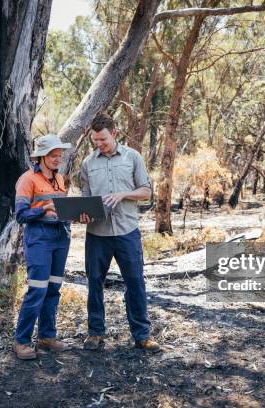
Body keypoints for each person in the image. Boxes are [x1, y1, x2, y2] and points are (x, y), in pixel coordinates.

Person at [79, 113, 160, 352]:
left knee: (135, 282)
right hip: (97, 234)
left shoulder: (132, 157)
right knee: (94, 283)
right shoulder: (87, 164)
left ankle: (142, 335)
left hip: (127, 231)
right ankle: (95, 333)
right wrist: (83, 213)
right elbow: (85, 199)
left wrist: (123, 195)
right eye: (95, 140)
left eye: (103, 139)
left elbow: (146, 192)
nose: (99, 144)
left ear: (114, 133)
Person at [12, 134, 73, 360]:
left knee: (53, 289)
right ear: (41, 157)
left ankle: (47, 337)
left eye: (60, 155)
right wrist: (43, 209)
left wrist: (76, 215)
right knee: (37, 289)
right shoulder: (27, 180)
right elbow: (20, 215)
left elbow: (62, 209)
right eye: (53, 155)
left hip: (61, 236)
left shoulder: (60, 179)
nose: (58, 159)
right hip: (39, 237)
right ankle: (22, 341)